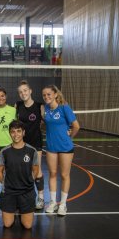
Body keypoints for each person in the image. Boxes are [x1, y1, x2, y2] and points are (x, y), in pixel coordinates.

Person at [42, 85, 80, 216]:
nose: (46, 97)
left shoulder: (64, 107)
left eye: (49, 94)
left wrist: (69, 137)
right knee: (52, 173)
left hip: (65, 147)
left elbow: (76, 126)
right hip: (51, 146)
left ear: (55, 95)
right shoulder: (45, 109)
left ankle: (63, 204)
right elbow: (44, 124)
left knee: (64, 175)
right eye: (44, 95)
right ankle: (52, 202)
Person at [0, 120, 39, 229]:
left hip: (27, 191)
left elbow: (35, 170)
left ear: (23, 132)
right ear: (10, 133)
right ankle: (14, 208)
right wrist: (5, 183)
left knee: (27, 226)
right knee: (7, 224)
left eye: (19, 131)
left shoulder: (31, 150)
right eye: (13, 132)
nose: (16, 134)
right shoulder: (4, 151)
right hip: (9, 192)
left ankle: (21, 210)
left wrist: (29, 182)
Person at [15, 80, 45, 209]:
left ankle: (41, 198)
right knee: (22, 171)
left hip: (36, 143)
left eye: (25, 91)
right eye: (20, 92)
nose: (23, 93)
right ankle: (22, 196)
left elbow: (48, 121)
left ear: (30, 91)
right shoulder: (18, 105)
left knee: (36, 170)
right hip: (21, 144)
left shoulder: (40, 106)